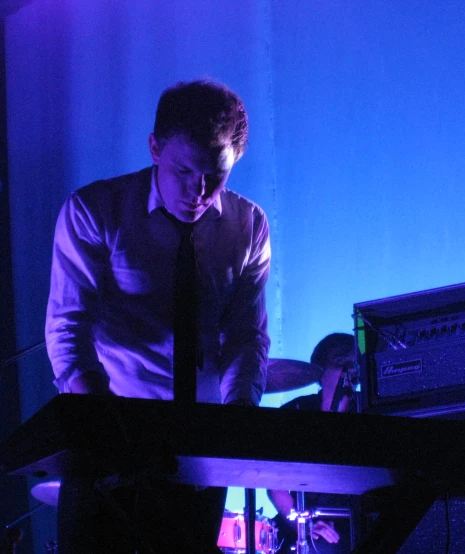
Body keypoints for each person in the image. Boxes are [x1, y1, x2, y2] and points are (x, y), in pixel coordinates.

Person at [45, 79, 271, 553]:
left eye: (216, 176)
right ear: (154, 147)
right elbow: (69, 330)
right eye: (184, 171)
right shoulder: (95, 212)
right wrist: (107, 431)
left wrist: (239, 421)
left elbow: (246, 338)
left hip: (202, 458)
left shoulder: (248, 227)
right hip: (105, 452)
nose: (199, 191)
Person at [267, 332, 358, 554]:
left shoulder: (370, 413)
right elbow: (274, 484)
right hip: (302, 521)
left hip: (356, 523)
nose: (349, 370)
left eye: (353, 363)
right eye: (340, 362)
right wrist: (303, 527)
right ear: (319, 370)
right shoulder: (295, 413)